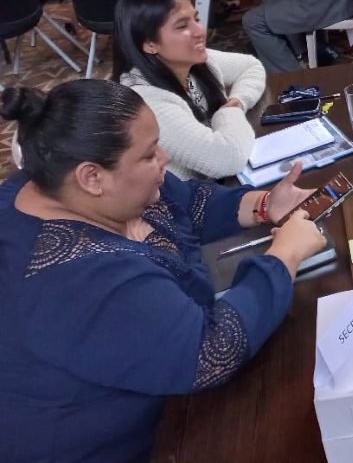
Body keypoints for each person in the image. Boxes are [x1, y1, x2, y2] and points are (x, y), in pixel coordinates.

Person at [0, 80, 326, 462]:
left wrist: (265, 204)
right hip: (127, 445)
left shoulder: (66, 180)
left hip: (168, 399)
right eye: (149, 154)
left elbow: (186, 202)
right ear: (92, 177)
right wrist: (284, 256)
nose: (165, 158)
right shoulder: (76, 279)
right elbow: (209, 352)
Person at [113, 0, 266, 181]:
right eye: (182, 26)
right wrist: (230, 112)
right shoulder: (147, 102)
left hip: (215, 183)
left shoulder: (190, 60)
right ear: (150, 44)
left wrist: (238, 100)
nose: (199, 31)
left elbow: (251, 66)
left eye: (196, 19)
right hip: (185, 195)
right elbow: (227, 159)